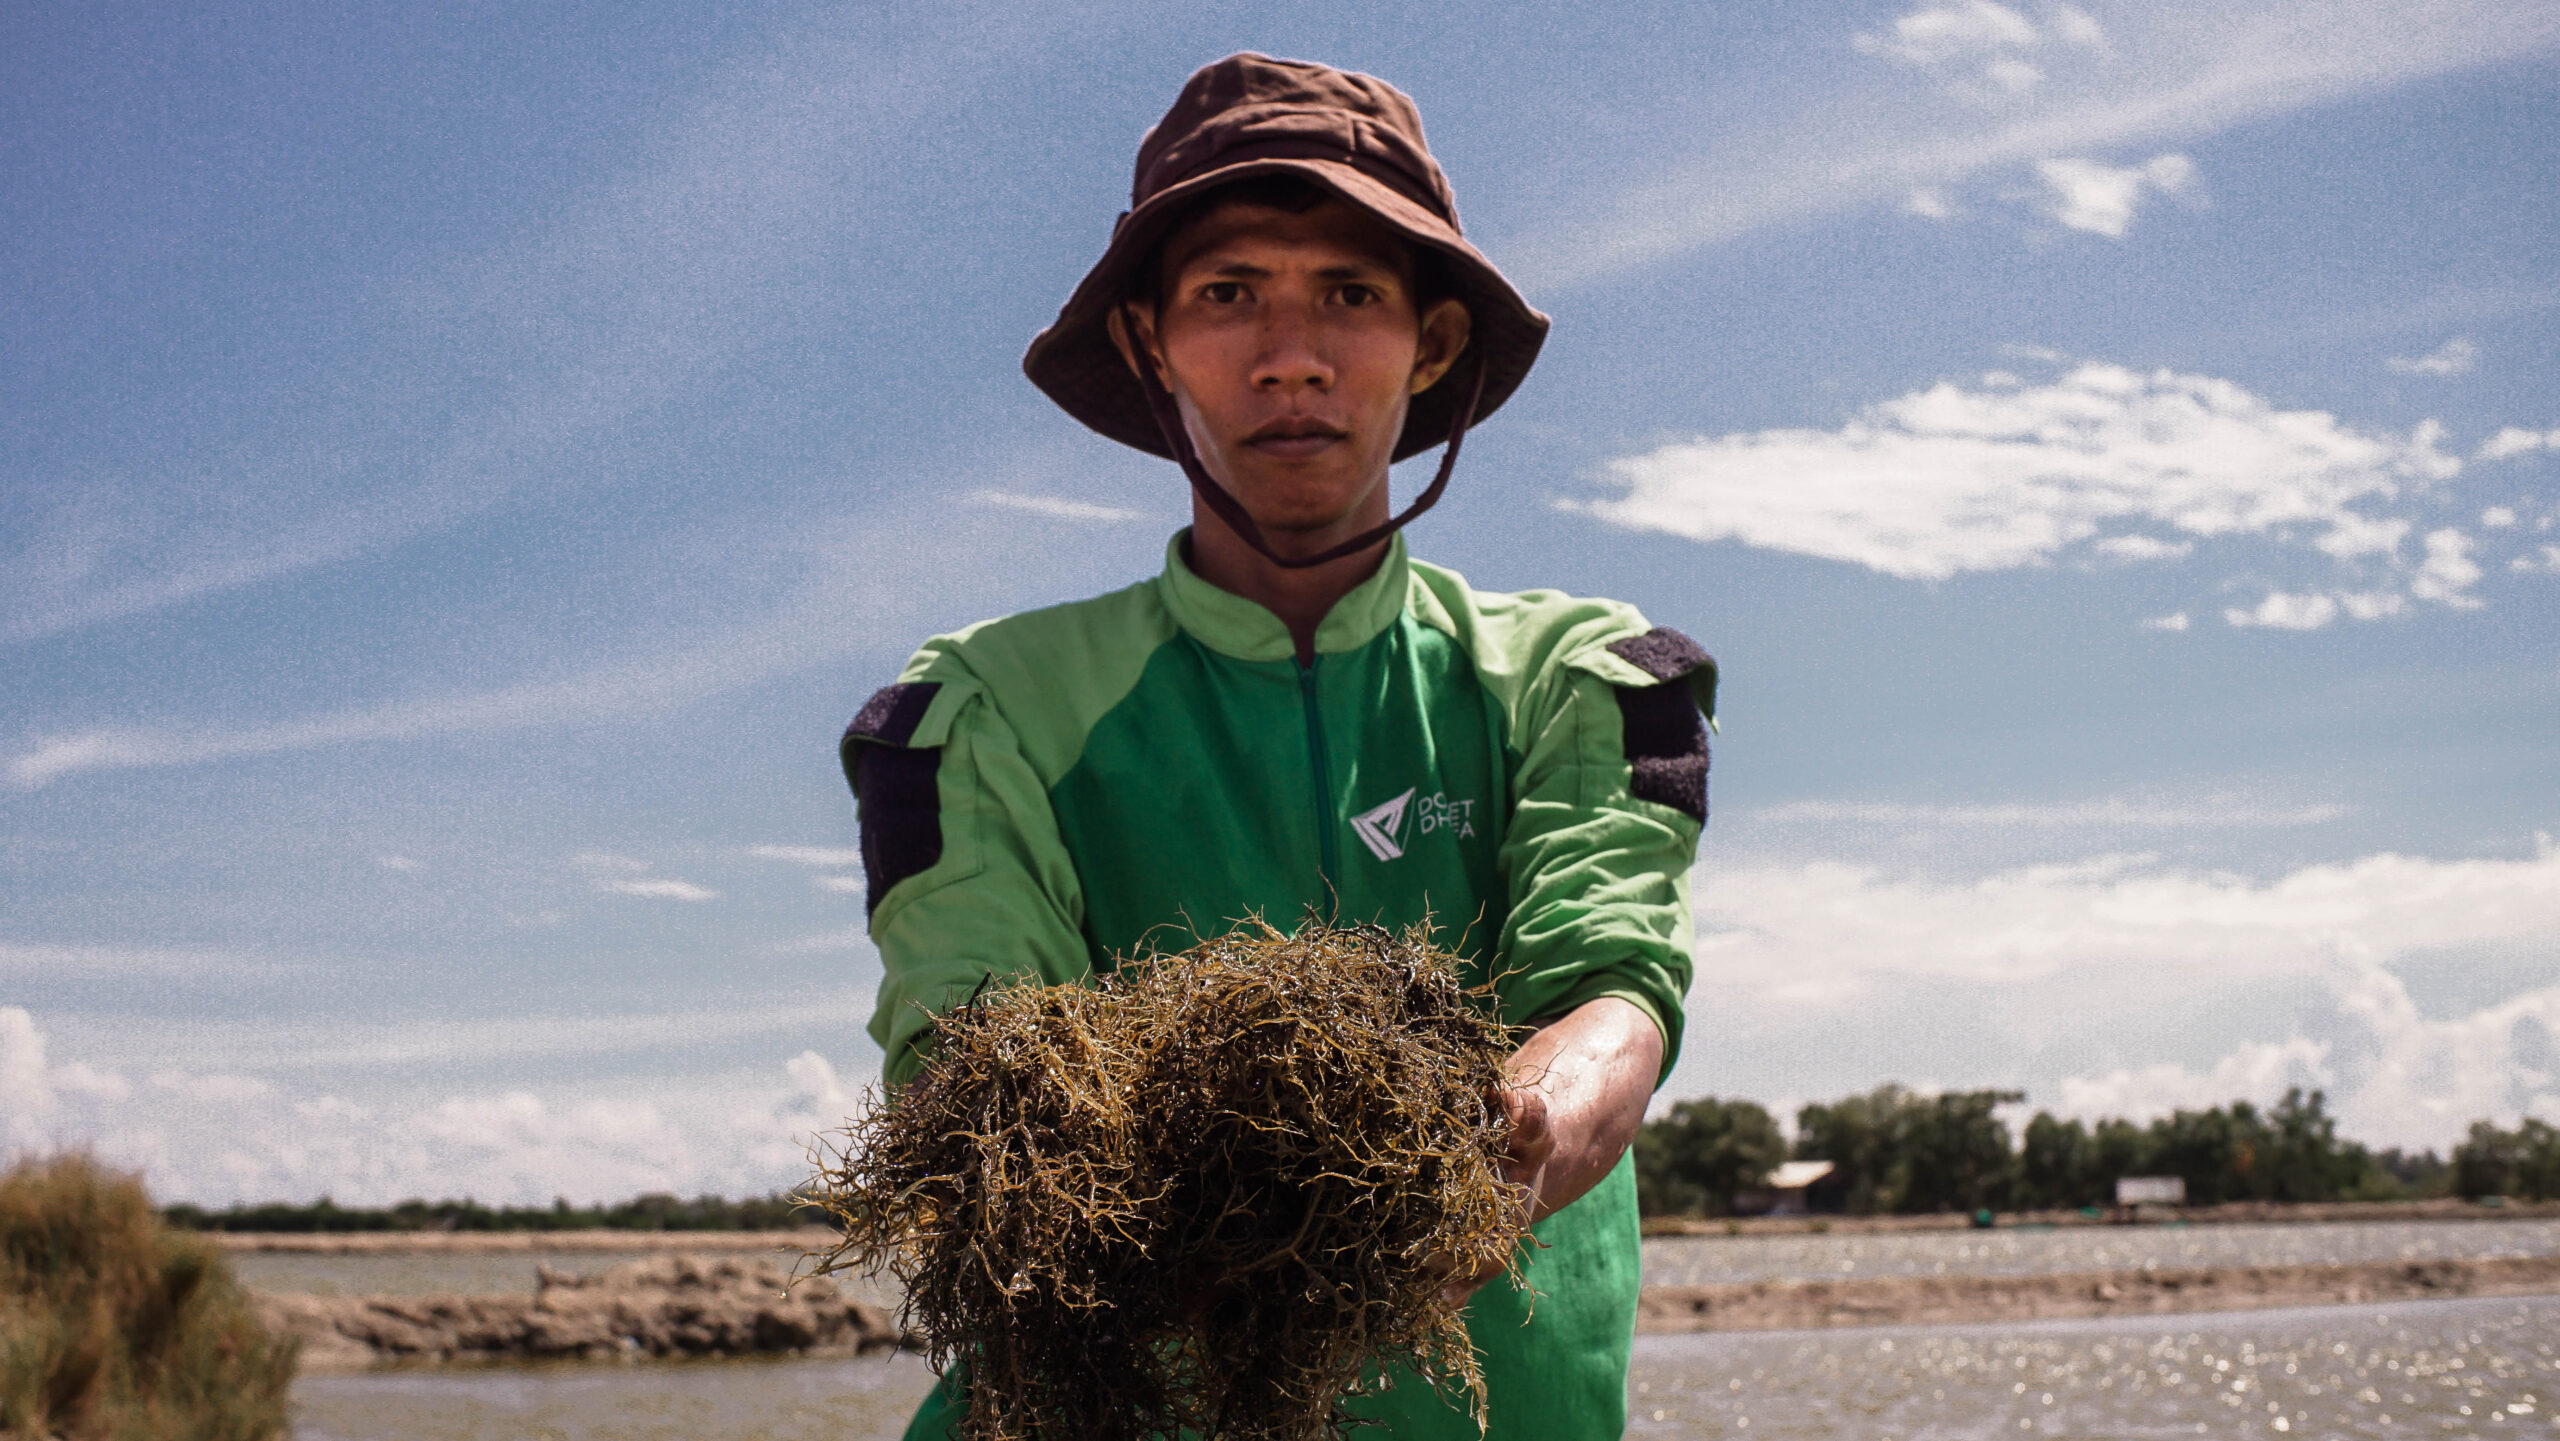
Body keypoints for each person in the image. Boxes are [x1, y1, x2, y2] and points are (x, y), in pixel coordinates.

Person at [842, 53, 1715, 1441]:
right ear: (1149, 342)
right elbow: (973, 1040)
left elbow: (1614, 986)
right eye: (1228, 292)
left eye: (1351, 295)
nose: (1291, 354)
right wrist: (1083, 1184)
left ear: (1433, 343)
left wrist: (1511, 1138)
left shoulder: (1577, 675)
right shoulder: (984, 703)